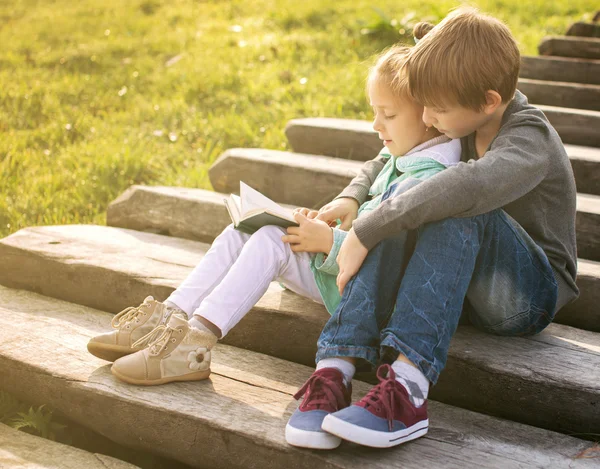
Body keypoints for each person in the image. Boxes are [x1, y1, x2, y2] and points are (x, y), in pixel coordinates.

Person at [285, 7, 578, 451]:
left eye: (436, 111)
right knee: (413, 201)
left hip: (525, 298)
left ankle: (409, 391)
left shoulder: (528, 137)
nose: (427, 120)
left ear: (489, 101)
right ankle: (336, 368)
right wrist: (353, 196)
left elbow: (470, 185)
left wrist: (367, 229)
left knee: (448, 201)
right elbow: (389, 158)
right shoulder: (461, 115)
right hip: (459, 287)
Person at [86, 45, 462, 387]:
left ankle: (194, 344)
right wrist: (330, 221)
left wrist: (328, 241)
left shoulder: (429, 179)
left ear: (429, 115)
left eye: (388, 114)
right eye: (374, 112)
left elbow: (398, 257)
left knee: (269, 240)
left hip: (365, 295)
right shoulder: (405, 154)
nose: (375, 125)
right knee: (241, 232)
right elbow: (372, 205)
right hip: (341, 270)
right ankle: (168, 318)